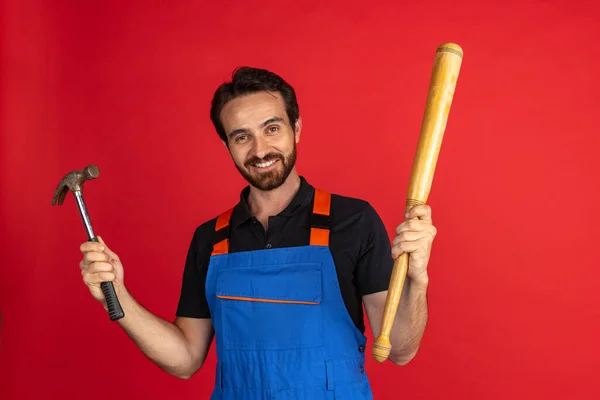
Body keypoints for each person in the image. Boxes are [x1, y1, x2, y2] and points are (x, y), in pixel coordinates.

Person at [79, 67, 437, 399]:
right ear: (226, 146)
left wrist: (417, 278)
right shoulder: (210, 239)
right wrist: (117, 295)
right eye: (241, 137)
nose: (260, 150)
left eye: (272, 128)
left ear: (295, 128)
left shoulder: (353, 221)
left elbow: (400, 351)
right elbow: (185, 359)